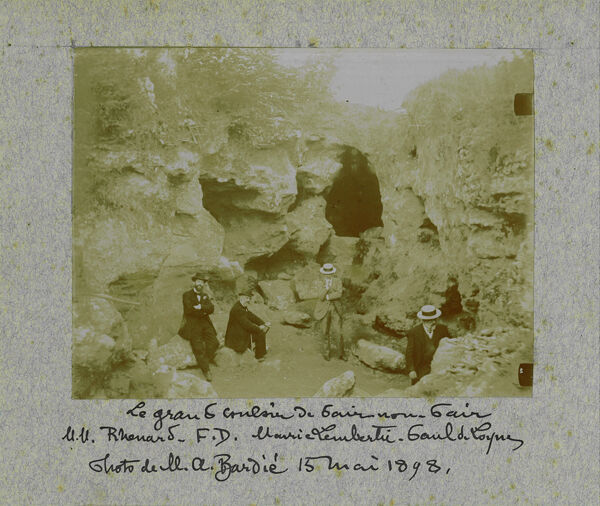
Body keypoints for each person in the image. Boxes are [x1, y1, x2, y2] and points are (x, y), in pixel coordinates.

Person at [178, 273, 219, 381]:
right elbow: (188, 310)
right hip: (193, 324)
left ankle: (204, 360)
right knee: (198, 348)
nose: (200, 284)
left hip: (205, 323)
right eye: (198, 281)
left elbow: (211, 309)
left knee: (215, 343)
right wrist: (203, 311)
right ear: (194, 283)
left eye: (202, 282)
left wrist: (200, 307)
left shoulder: (204, 295)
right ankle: (206, 371)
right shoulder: (186, 295)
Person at [406, 304, 451, 385]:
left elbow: (449, 346)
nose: (433, 322)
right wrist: (411, 370)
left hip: (438, 367)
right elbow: (409, 353)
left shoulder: (442, 329)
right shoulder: (414, 332)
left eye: (434, 319)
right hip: (421, 368)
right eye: (430, 320)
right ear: (423, 320)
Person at [224, 288, 271, 361]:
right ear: (241, 298)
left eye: (249, 298)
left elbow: (251, 316)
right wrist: (259, 328)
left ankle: (260, 351)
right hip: (236, 336)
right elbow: (247, 324)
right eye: (247, 298)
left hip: (239, 331)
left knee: (259, 332)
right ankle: (259, 356)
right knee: (260, 333)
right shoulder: (237, 309)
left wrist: (263, 323)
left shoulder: (242, 306)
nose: (248, 300)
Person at [314, 263, 346, 361]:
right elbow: (320, 297)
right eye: (326, 274)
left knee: (338, 331)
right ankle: (326, 353)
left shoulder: (337, 281)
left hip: (335, 308)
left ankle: (342, 353)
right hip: (324, 309)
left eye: (330, 273)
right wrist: (327, 288)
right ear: (323, 274)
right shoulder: (319, 282)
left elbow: (339, 293)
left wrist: (328, 296)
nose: (328, 275)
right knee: (325, 331)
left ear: (333, 273)